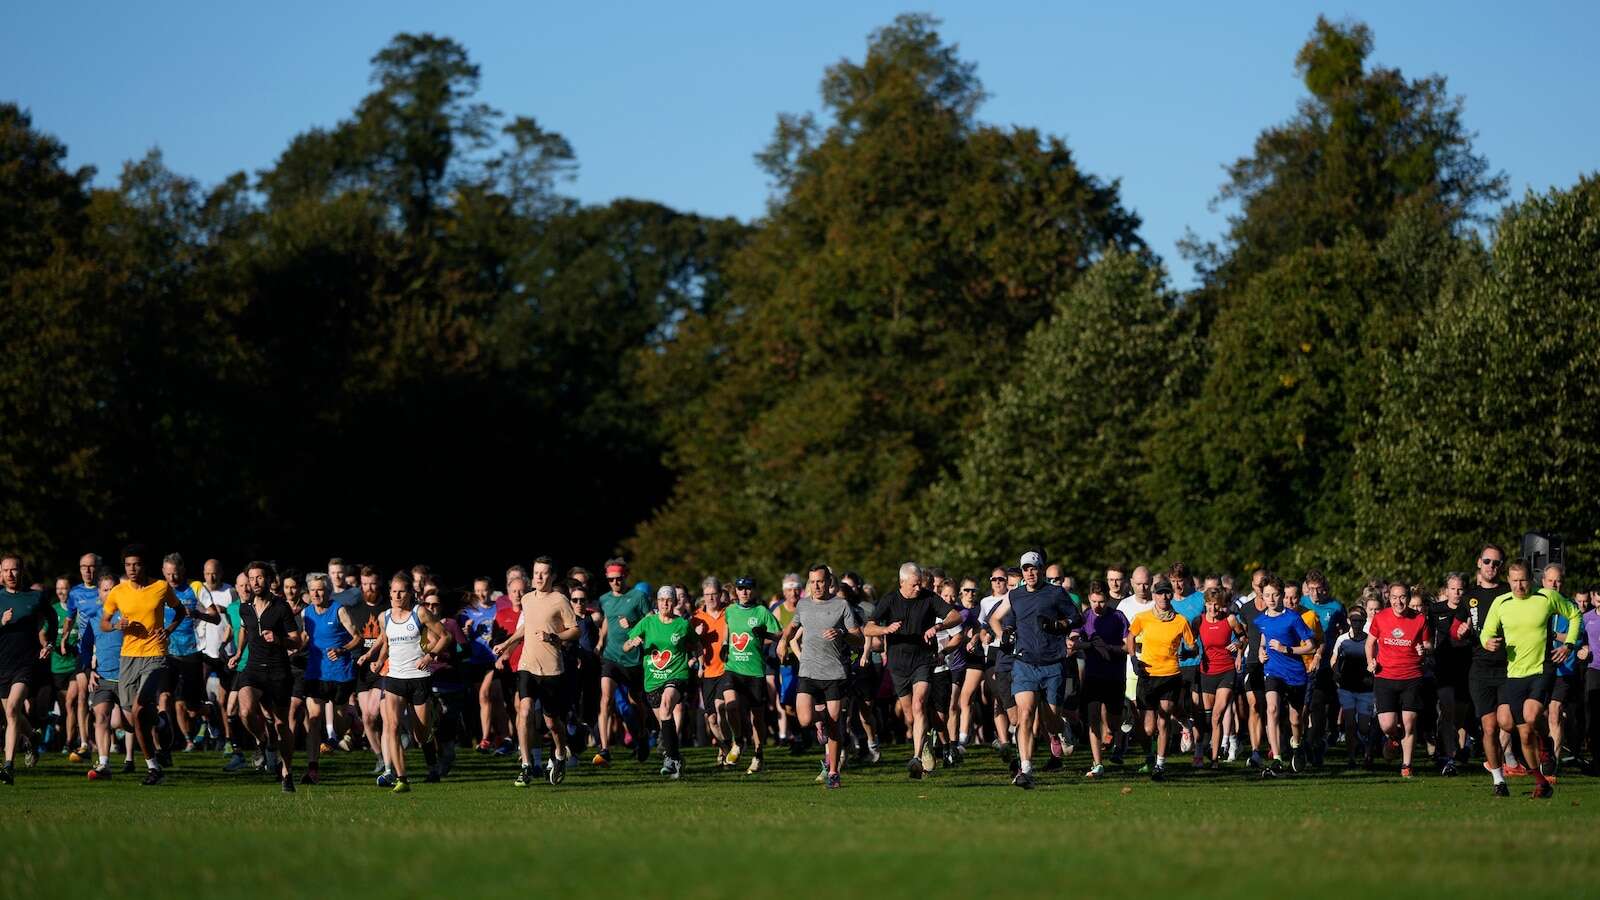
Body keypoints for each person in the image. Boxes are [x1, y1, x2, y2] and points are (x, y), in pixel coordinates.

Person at [1479, 561, 1579, 799]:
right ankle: (1541, 782)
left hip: (1541, 668)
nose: (1519, 585)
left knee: (1531, 715)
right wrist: (1488, 642)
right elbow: (1486, 631)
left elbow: (1574, 615)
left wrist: (1569, 644)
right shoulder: (1501, 603)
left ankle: (1546, 743)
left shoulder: (1546, 598)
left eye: (1523, 580)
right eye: (1514, 581)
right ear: (1509, 580)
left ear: (1531, 580)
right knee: (1522, 733)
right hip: (1514, 674)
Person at [987, 551, 1078, 789]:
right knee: (1025, 714)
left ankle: (1063, 726)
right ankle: (1026, 769)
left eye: (1034, 568)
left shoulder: (1055, 593)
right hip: (1024, 663)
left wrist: (1060, 625)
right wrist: (1003, 636)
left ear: (1042, 569)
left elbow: (1076, 618)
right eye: (1026, 568)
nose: (1029, 573)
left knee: (1051, 722)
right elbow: (994, 618)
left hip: (1053, 664)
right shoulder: (1014, 595)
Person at [863, 561, 960, 780]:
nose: (918, 588)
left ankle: (916, 757)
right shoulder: (889, 600)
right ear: (902, 582)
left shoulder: (928, 597)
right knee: (910, 716)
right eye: (914, 585)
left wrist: (937, 627)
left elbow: (956, 616)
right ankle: (924, 743)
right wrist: (885, 629)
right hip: (898, 665)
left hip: (923, 660)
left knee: (919, 705)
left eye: (920, 584)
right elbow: (867, 628)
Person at [100, 543, 187, 785]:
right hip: (128, 658)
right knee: (131, 721)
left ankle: (153, 768)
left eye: (136, 564)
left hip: (155, 656)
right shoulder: (118, 591)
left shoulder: (160, 587)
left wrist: (168, 631)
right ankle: (160, 722)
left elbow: (180, 611)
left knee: (138, 710)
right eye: (128, 565)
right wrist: (118, 625)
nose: (132, 569)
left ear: (144, 565)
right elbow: (104, 623)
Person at [493, 557, 579, 787]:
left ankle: (560, 753)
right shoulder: (528, 599)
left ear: (552, 576)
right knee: (525, 710)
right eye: (536, 573)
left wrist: (554, 637)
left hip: (551, 670)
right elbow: (526, 626)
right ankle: (526, 765)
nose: (539, 577)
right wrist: (507, 644)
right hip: (527, 665)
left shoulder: (560, 600)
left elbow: (575, 631)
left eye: (543, 573)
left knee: (552, 723)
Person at [362, 572, 450, 793]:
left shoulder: (419, 613)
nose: (397, 595)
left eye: (401, 591)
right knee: (391, 727)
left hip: (419, 678)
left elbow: (446, 636)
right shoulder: (384, 617)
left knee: (420, 735)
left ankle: (432, 757)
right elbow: (387, 642)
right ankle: (402, 778)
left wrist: (430, 656)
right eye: (393, 591)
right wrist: (379, 661)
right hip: (394, 678)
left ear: (410, 593)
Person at [777, 564, 863, 788]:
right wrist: (784, 641)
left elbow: (859, 638)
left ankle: (833, 772)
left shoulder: (841, 605)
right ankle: (822, 721)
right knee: (804, 719)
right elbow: (793, 627)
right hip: (808, 670)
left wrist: (842, 633)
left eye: (820, 581)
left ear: (829, 582)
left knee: (835, 727)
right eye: (813, 582)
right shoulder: (803, 604)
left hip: (834, 672)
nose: (816, 586)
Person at [234, 561, 304, 792]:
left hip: (278, 670)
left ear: (269, 580)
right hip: (253, 669)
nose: (254, 583)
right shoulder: (245, 608)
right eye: (251, 578)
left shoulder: (281, 607)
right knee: (244, 710)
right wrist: (237, 653)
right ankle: (263, 741)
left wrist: (280, 639)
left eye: (259, 578)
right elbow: (245, 629)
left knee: (283, 723)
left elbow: (297, 640)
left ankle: (287, 773)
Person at [622, 585, 698, 779]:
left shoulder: (682, 624)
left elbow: (695, 644)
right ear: (657, 602)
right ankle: (677, 757)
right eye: (662, 599)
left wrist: (696, 659)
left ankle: (670, 759)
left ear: (674, 602)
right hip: (652, 679)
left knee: (666, 707)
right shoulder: (647, 623)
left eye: (669, 599)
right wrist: (633, 643)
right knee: (665, 719)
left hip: (677, 675)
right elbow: (625, 646)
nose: (665, 603)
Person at [1125, 579, 1195, 781]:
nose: (1164, 597)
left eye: (1167, 593)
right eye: (1160, 593)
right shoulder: (1142, 618)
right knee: (1148, 728)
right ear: (1154, 596)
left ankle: (1160, 765)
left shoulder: (1180, 620)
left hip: (1170, 674)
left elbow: (1192, 645)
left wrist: (1189, 654)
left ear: (1171, 596)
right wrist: (1133, 659)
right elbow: (1130, 637)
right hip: (1147, 675)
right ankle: (1183, 723)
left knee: (1163, 719)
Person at [1462, 543, 1514, 788]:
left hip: (1508, 666)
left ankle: (1511, 757)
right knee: (1490, 727)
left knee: (1508, 720)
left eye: (1496, 563)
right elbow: (1455, 627)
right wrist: (1461, 631)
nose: (1491, 566)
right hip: (1481, 668)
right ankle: (1498, 778)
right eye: (1487, 561)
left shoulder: (1509, 593)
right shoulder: (1469, 596)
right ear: (1478, 563)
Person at [1366, 582, 1430, 779]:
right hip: (1385, 676)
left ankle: (1406, 765)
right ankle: (1393, 737)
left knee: (1409, 722)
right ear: (1389, 599)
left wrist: (1424, 649)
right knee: (1387, 724)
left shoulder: (1419, 619)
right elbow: (1370, 643)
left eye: (1402, 597)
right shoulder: (1381, 617)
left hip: (1411, 676)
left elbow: (1427, 643)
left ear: (1408, 599)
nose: (1398, 601)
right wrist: (1371, 661)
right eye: (1394, 597)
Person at [299, 573, 358, 784]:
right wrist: (291, 647)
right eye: (312, 590)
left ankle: (352, 724)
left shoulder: (339, 610)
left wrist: (342, 650)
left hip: (340, 674)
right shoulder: (306, 613)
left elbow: (357, 637)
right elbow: (306, 637)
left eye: (320, 589)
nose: (315, 593)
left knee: (340, 726)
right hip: (315, 673)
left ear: (327, 591)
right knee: (314, 720)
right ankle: (313, 769)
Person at [1253, 577, 1315, 777]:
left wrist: (1286, 649)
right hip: (1273, 671)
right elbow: (1264, 638)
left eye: (1275, 594)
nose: (1271, 598)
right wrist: (1260, 651)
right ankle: (1277, 758)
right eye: (1267, 595)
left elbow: (1310, 646)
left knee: (1296, 720)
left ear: (1281, 595)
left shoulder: (1293, 618)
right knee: (1271, 709)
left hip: (1295, 673)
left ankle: (1296, 744)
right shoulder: (1261, 619)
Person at [160, 553, 219, 758]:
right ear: (163, 573)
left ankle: (210, 712)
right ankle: (164, 743)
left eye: (175, 574)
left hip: (192, 652)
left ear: (183, 570)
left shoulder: (195, 587)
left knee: (192, 708)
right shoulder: (160, 588)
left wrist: (197, 614)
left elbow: (216, 617)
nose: (172, 579)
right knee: (164, 697)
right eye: (168, 574)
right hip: (166, 652)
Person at [594, 558, 651, 766]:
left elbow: (651, 621)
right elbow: (608, 619)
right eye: (611, 579)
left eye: (619, 578)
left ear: (625, 576)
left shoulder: (639, 597)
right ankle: (605, 748)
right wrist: (600, 642)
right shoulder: (605, 599)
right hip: (611, 657)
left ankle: (643, 734)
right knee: (606, 699)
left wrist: (634, 624)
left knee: (635, 701)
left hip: (633, 659)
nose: (615, 583)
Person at [0, 556, 48, 783]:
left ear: (22, 571)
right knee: (14, 714)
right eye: (6, 570)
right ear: (0, 573)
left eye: (14, 570)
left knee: (11, 710)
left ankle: (8, 766)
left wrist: (47, 644)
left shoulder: (35, 597)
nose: (10, 574)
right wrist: (1, 622)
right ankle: (32, 738)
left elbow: (51, 618)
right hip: (2, 665)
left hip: (25, 665)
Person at [725, 575, 779, 774]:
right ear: (736, 592)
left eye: (748, 589)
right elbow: (726, 630)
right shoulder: (729, 611)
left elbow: (779, 635)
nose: (744, 592)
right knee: (730, 707)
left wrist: (764, 634)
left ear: (753, 591)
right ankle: (738, 742)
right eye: (740, 589)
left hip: (755, 671)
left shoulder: (762, 611)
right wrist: (724, 645)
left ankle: (758, 754)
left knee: (757, 717)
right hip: (732, 668)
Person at [1077, 582, 1128, 777]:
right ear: (1089, 599)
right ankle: (1097, 763)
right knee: (1093, 719)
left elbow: (1127, 646)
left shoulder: (1118, 617)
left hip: (1114, 675)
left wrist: (1109, 648)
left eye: (1102, 602)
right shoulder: (1085, 617)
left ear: (1107, 600)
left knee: (1113, 722)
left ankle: (1119, 733)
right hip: (1093, 675)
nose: (1097, 606)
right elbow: (1075, 639)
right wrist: (1084, 645)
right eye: (1094, 601)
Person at [345, 567, 390, 774]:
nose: (368, 588)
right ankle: (380, 757)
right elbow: (352, 637)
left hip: (385, 667)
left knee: (377, 712)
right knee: (368, 718)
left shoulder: (389, 607)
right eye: (364, 584)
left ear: (379, 582)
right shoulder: (354, 609)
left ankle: (392, 754)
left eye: (371, 583)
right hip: (363, 669)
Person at [1196, 585, 1243, 767]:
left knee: (1217, 716)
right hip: (1206, 672)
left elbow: (1243, 637)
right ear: (1205, 604)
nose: (1213, 609)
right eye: (1209, 604)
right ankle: (1207, 748)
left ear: (1222, 604)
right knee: (1207, 719)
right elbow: (1188, 639)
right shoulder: (1198, 621)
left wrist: (1238, 646)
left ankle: (1214, 760)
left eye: (1216, 605)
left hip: (1226, 671)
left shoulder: (1230, 620)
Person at [458, 576, 505, 752]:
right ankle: (500, 736)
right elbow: (462, 637)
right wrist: (467, 630)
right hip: (474, 660)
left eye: (484, 590)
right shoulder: (468, 612)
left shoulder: (498, 608)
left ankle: (487, 738)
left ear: (491, 589)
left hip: (492, 660)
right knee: (489, 700)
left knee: (486, 696)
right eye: (477, 591)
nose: (481, 594)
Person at [691, 577, 731, 766]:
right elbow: (687, 644)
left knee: (720, 706)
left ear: (720, 594)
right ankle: (725, 748)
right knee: (711, 718)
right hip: (707, 672)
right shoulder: (697, 617)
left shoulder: (729, 613)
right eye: (707, 595)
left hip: (726, 668)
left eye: (714, 594)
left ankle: (731, 745)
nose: (711, 598)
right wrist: (695, 637)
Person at [1331, 603, 1376, 765]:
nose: (1357, 623)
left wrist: (1374, 666)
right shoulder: (1342, 640)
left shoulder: (1370, 641)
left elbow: (1376, 659)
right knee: (1349, 723)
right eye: (1354, 620)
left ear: (1364, 622)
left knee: (1364, 725)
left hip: (1366, 686)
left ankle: (1367, 752)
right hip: (1347, 686)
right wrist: (1336, 671)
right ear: (1349, 621)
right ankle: (1351, 757)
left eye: (1360, 620)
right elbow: (1334, 659)